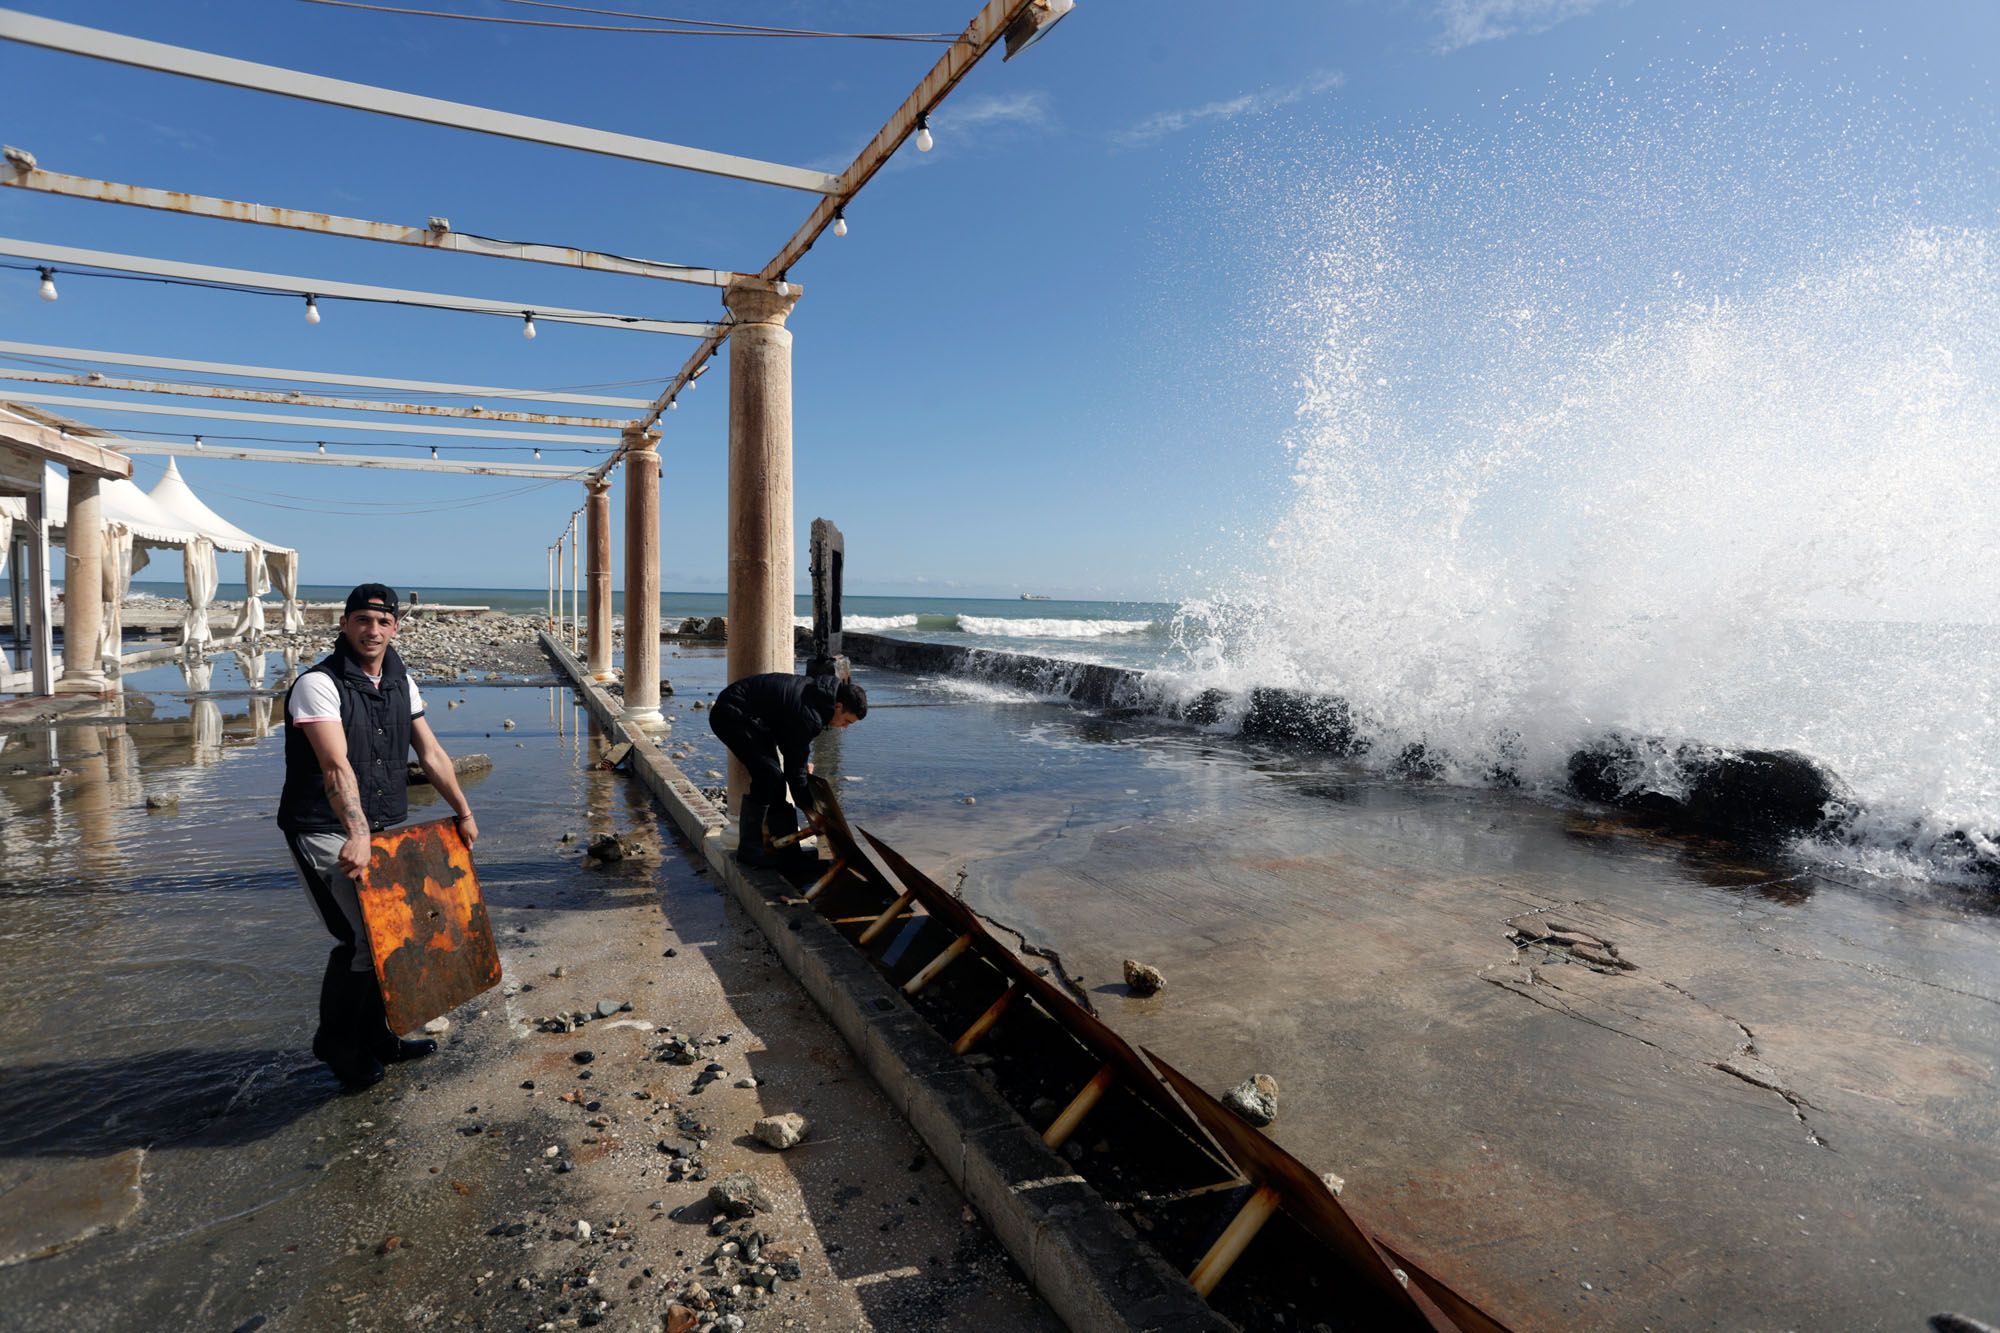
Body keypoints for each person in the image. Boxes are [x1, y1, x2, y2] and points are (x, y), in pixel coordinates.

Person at [277, 583, 480, 1091]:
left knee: (390, 933)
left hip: (376, 829)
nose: (373, 631)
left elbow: (430, 752)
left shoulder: (399, 681)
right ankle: (336, 1042)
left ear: (395, 627)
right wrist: (358, 832)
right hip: (324, 827)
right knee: (359, 938)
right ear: (344, 624)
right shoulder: (318, 684)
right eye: (363, 621)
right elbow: (334, 765)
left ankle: (377, 1034)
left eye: (383, 622)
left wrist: (463, 810)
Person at [707, 671, 867, 867]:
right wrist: (811, 807)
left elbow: (791, 745)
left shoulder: (817, 695)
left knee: (774, 779)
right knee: (768, 776)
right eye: (847, 721)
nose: (844, 727)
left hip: (753, 720)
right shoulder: (811, 715)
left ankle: (787, 851)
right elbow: (795, 772)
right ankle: (750, 850)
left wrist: (801, 762)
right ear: (839, 706)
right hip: (732, 716)